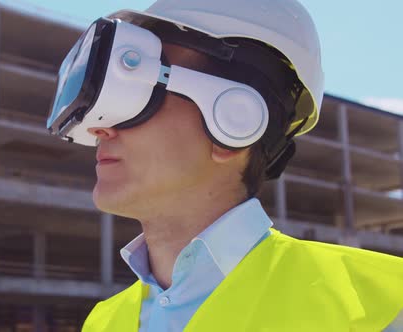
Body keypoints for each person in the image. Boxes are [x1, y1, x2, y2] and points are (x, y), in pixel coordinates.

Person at [45, 0, 403, 330]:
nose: (98, 126)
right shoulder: (104, 322)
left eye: (133, 93)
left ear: (234, 121)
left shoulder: (385, 303)